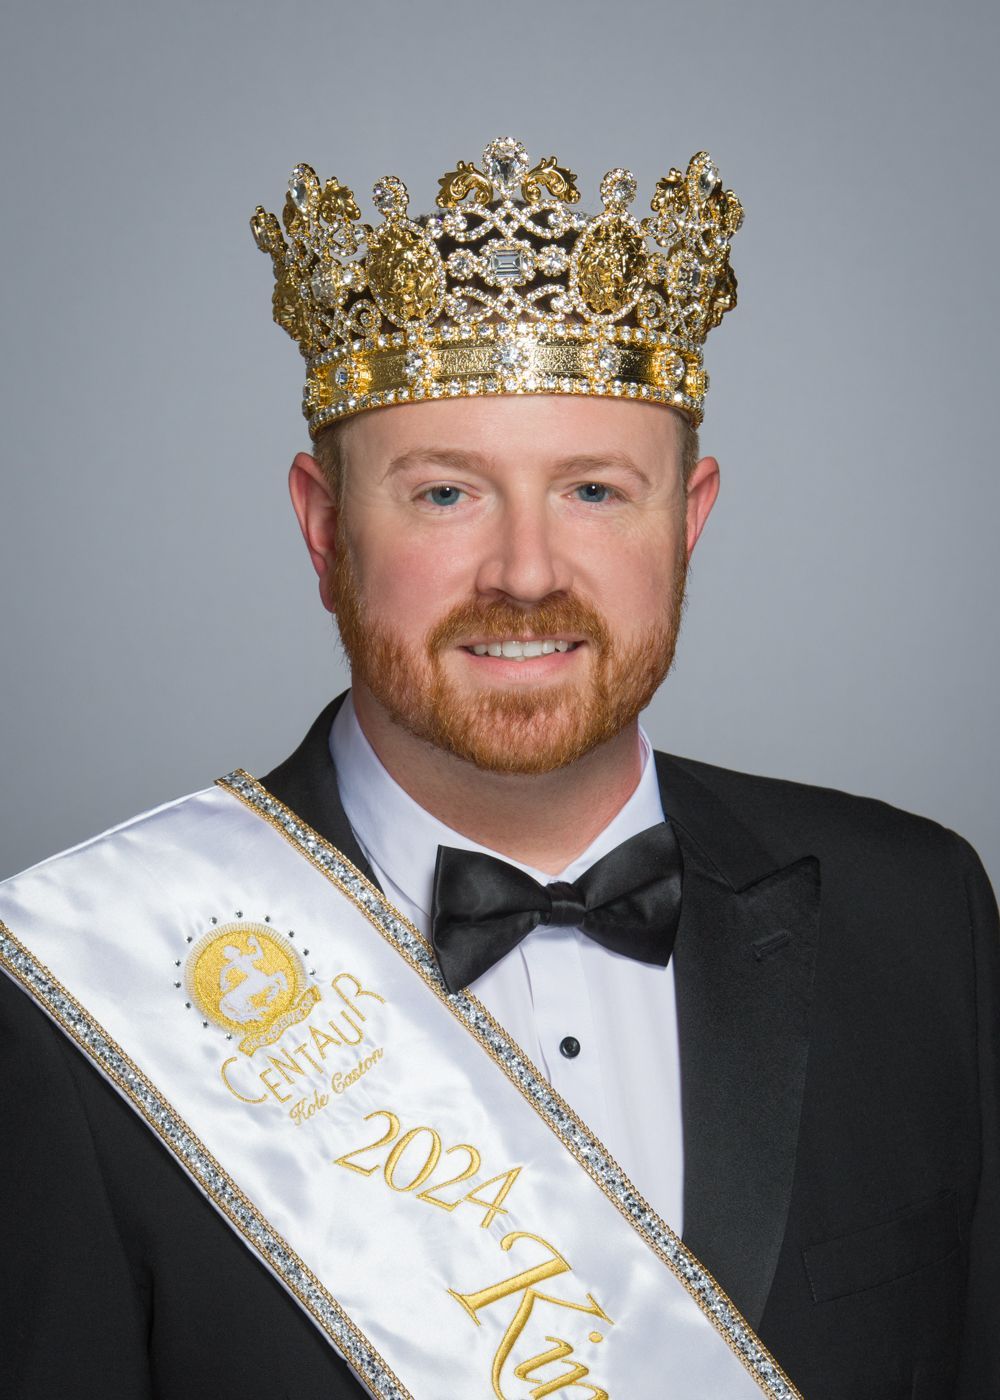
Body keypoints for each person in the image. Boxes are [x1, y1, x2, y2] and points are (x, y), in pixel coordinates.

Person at [0, 137, 997, 1400]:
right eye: (444, 495)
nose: (525, 571)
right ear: (323, 529)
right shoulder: (81, 997)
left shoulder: (919, 917)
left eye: (591, 489)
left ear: (686, 523)